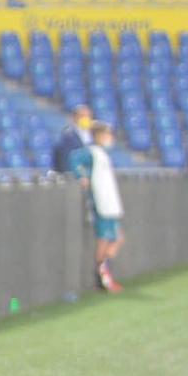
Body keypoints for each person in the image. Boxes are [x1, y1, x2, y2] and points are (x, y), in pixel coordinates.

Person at [71, 122, 125, 291]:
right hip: (101, 202)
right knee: (105, 238)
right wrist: (82, 176)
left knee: (117, 238)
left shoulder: (103, 154)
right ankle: (101, 276)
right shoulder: (92, 152)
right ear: (99, 136)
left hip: (110, 202)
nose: (110, 139)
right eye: (107, 135)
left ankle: (104, 271)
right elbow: (74, 158)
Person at [51, 103, 93, 173]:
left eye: (88, 116)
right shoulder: (68, 136)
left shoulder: (93, 134)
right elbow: (66, 160)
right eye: (82, 116)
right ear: (74, 118)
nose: (86, 119)